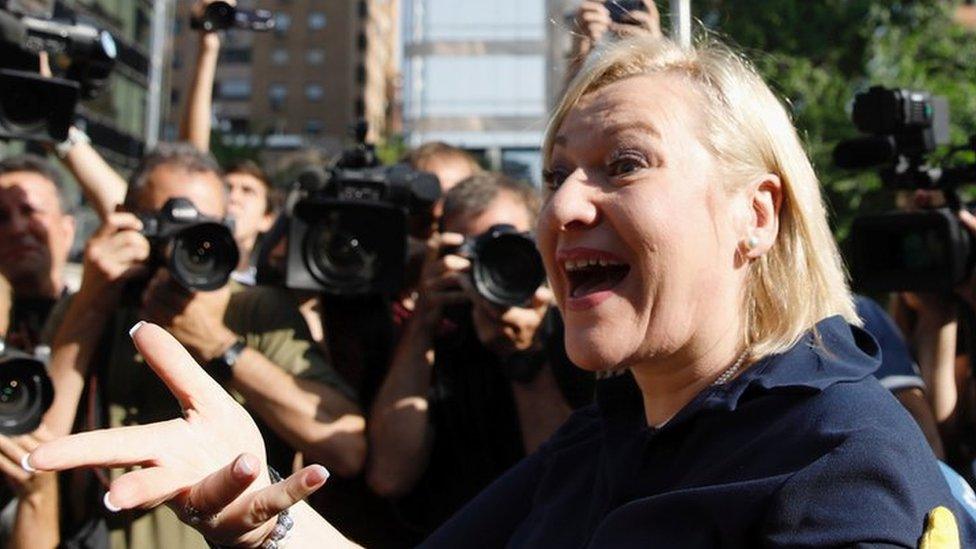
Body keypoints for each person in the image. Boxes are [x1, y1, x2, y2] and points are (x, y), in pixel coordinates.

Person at [25, 34, 976, 547]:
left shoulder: (843, 458)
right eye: (558, 171)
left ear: (756, 215)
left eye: (624, 164)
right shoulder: (602, 436)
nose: (561, 204)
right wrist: (263, 513)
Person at [39, 143, 363, 549]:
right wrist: (92, 301)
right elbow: (37, 442)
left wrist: (223, 346)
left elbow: (346, 446)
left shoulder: (254, 308)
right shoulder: (93, 304)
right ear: (129, 220)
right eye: (166, 227)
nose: (184, 249)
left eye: (203, 231)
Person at [367, 173, 592, 539]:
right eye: (474, 250)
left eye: (507, 243)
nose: (492, 261)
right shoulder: (429, 339)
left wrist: (524, 355)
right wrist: (423, 321)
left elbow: (569, 483)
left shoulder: (573, 332)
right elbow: (389, 476)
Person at [0, 155, 75, 351]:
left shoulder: (99, 316)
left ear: (68, 230)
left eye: (30, 211)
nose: (16, 228)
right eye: (2, 217)